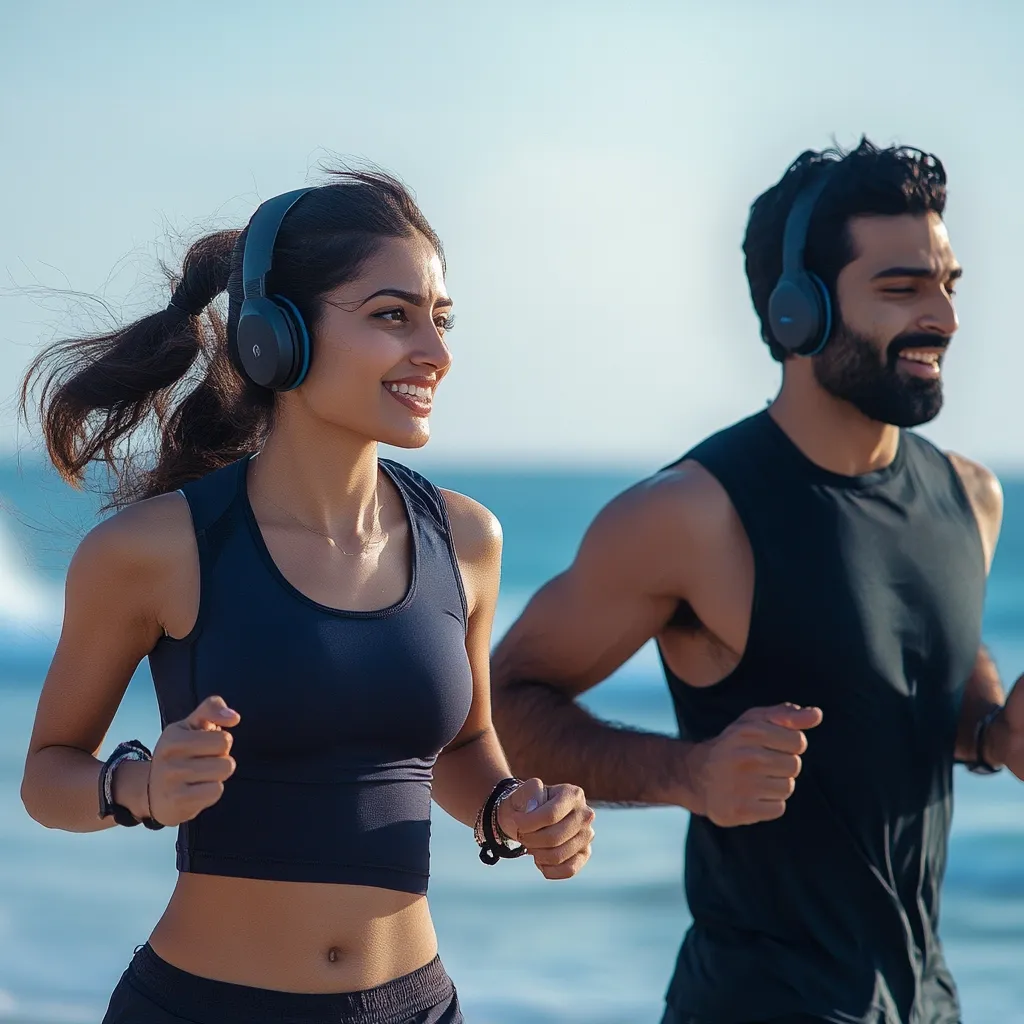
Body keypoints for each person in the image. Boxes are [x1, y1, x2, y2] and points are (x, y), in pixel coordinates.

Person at [19, 170, 595, 1024]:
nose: (434, 352)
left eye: (440, 319)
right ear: (273, 338)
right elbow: (46, 777)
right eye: (392, 316)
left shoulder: (468, 541)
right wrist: (138, 787)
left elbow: (462, 746)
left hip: (419, 1007)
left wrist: (516, 811)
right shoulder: (153, 550)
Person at [490, 138, 1024, 1024]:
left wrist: (996, 733)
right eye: (902, 290)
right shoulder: (691, 515)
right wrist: (688, 773)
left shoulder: (972, 497)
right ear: (797, 312)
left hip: (929, 1003)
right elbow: (503, 700)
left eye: (949, 285)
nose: (945, 319)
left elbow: (929, 674)